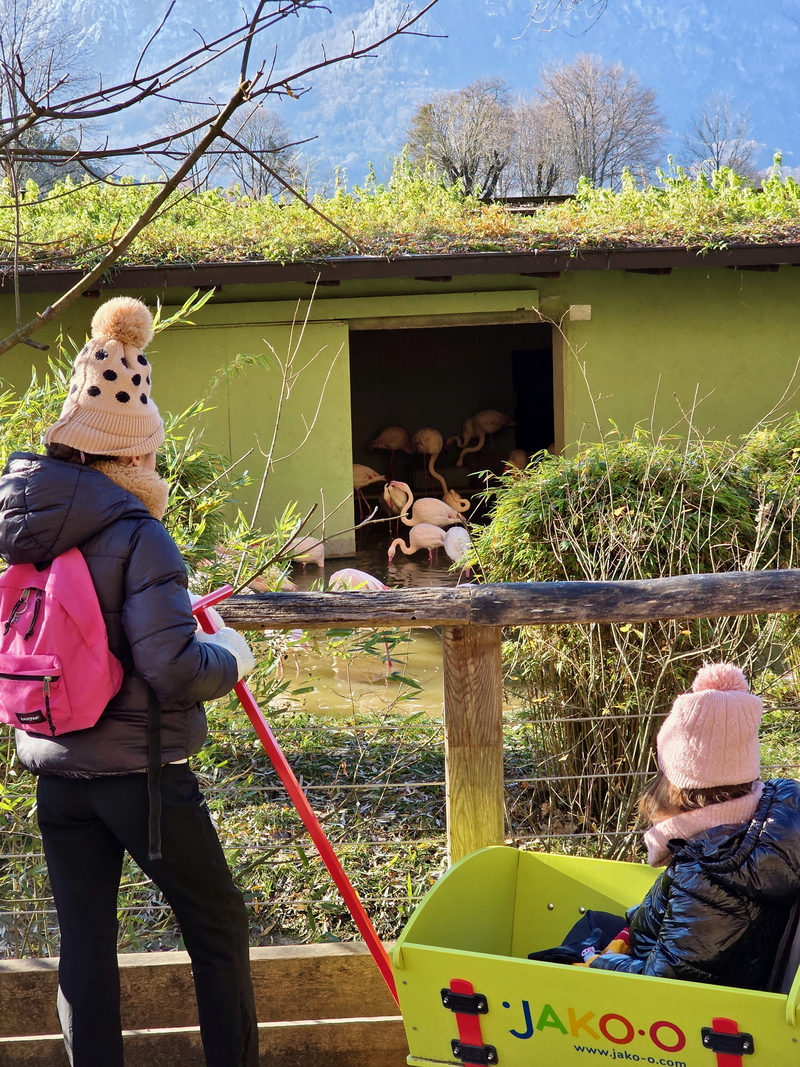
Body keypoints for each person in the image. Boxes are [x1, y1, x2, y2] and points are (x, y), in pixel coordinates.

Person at [0, 297, 260, 1066]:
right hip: (138, 776)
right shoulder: (138, 532)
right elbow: (173, 666)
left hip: (54, 768)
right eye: (149, 454)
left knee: (85, 946)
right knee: (218, 928)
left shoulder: (27, 527)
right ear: (129, 456)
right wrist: (235, 656)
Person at [534, 662, 800, 989]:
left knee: (547, 964)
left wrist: (596, 961)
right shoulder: (767, 820)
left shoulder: (709, 874)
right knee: (594, 922)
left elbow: (664, 983)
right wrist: (626, 933)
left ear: (677, 786)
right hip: (665, 949)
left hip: (669, 1010)